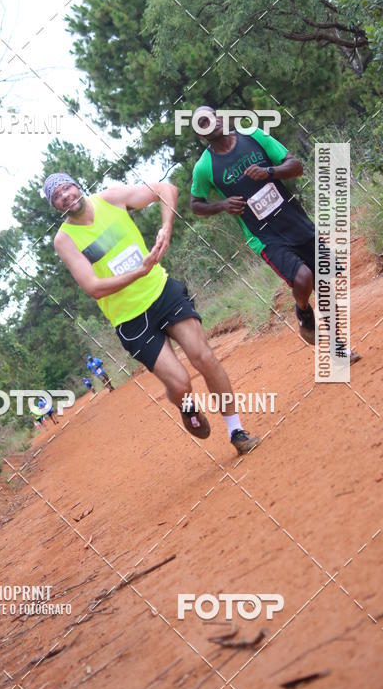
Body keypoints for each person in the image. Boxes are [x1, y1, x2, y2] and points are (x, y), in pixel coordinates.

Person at [43, 171, 260, 455]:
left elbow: (166, 189)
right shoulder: (64, 240)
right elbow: (93, 287)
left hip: (161, 292)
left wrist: (166, 228)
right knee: (180, 384)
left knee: (204, 357)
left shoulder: (110, 199)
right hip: (131, 319)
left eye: (66, 188)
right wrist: (139, 272)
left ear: (77, 186)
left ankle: (236, 431)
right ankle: (187, 407)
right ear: (55, 206)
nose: (65, 196)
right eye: (57, 196)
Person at [189, 107, 360, 362]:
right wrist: (222, 205)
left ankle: (338, 346)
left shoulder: (253, 136)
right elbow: (196, 204)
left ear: (220, 118)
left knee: (323, 282)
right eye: (202, 123)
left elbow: (296, 166)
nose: (210, 123)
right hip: (264, 236)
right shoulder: (204, 167)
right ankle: (303, 310)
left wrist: (269, 172)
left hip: (295, 221)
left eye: (211, 117)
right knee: (304, 277)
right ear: (200, 134)